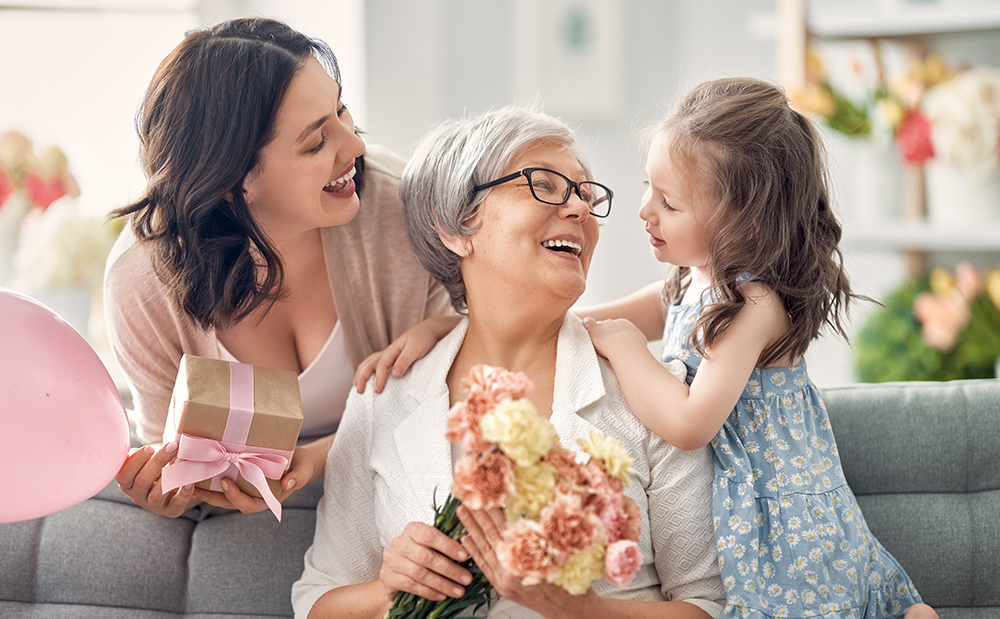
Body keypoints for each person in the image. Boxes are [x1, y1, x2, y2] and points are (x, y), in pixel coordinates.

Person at [293, 105, 726, 619]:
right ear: (454, 229)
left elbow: (709, 606)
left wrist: (584, 610)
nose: (580, 210)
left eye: (586, 195)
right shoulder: (383, 398)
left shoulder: (650, 396)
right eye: (545, 184)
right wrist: (390, 588)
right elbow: (315, 603)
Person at [581, 78, 937, 619]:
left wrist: (627, 347)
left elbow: (690, 422)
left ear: (745, 225)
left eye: (669, 202)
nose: (643, 210)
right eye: (648, 187)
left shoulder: (753, 305)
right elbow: (594, 319)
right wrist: (490, 322)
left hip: (783, 510)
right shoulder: (689, 277)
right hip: (742, 493)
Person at [104, 17, 453, 519]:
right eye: (315, 143)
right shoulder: (141, 282)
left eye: (341, 110)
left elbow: (460, 395)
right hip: (250, 536)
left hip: (396, 501)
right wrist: (173, 492)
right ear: (229, 180)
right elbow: (176, 463)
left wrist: (316, 460)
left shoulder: (399, 207)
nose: (354, 146)